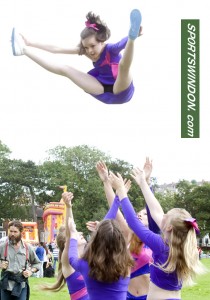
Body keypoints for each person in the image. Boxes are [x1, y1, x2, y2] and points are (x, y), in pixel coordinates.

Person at [108, 169, 206, 300]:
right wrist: (144, 183)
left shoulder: (161, 246)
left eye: (167, 215)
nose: (163, 215)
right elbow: (156, 211)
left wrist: (121, 191)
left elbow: (133, 221)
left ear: (170, 226)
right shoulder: (177, 245)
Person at [11, 9, 142, 105]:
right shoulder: (86, 51)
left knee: (123, 66)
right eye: (86, 47)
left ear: (101, 40)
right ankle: (23, 50)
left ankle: (133, 35)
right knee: (65, 69)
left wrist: (132, 36)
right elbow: (56, 49)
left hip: (122, 90)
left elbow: (121, 44)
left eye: (92, 45)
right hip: (102, 89)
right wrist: (30, 43)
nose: (89, 51)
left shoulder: (110, 49)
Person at [92, 159, 156, 300]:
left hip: (150, 296)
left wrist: (146, 181)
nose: (140, 214)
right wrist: (106, 182)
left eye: (144, 214)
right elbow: (114, 209)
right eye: (139, 213)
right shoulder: (128, 235)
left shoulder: (154, 239)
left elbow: (153, 209)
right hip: (126, 296)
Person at [68, 196, 134, 300]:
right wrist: (118, 197)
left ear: (96, 239)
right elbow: (111, 235)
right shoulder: (126, 264)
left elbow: (71, 258)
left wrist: (72, 234)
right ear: (120, 242)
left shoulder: (85, 265)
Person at [42, 191, 88, 299]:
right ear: (67, 242)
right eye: (76, 232)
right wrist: (68, 207)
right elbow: (69, 232)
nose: (81, 233)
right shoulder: (67, 261)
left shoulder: (89, 258)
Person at [0, 220, 40, 300]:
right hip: (5, 285)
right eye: (11, 231)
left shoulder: (28, 248)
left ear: (21, 232)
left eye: (15, 232)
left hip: (21, 285)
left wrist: (30, 271)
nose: (12, 234)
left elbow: (37, 263)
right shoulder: (3, 247)